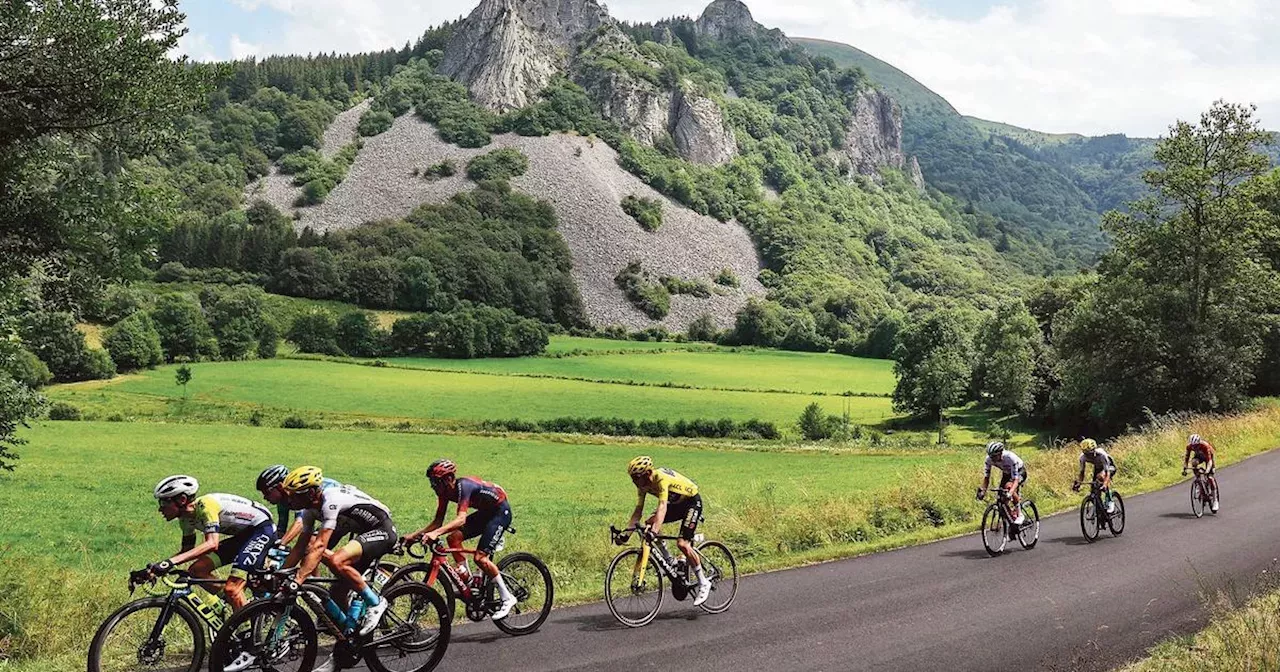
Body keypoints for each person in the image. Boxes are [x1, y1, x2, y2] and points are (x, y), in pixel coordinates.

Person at [282, 466, 395, 637]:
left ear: (311, 493)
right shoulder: (309, 511)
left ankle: (376, 603)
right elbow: (300, 548)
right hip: (362, 531)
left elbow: (320, 546)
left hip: (382, 529)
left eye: (295, 494)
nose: (289, 499)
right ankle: (349, 636)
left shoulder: (331, 501)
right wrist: (281, 573)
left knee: (337, 560)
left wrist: (298, 579)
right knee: (336, 592)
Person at [402, 459, 518, 620]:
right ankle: (468, 581)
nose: (433, 486)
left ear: (449, 479)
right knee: (453, 538)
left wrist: (436, 533)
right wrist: (413, 536)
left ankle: (507, 598)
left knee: (480, 558)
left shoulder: (464, 487)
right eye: (432, 482)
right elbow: (437, 522)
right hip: (485, 513)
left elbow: (461, 519)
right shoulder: (444, 493)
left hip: (499, 512)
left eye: (436, 482)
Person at [145, 475, 277, 611]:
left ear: (182, 500)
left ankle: (247, 625)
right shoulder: (185, 520)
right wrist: (156, 568)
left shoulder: (206, 506)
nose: (160, 509)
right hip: (243, 536)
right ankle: (238, 607)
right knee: (197, 570)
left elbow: (212, 544)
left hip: (262, 530)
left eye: (163, 503)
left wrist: (169, 563)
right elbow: (186, 550)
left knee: (232, 589)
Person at [622, 455, 711, 606]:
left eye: (637, 478)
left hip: (691, 502)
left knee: (683, 544)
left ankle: (703, 582)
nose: (635, 482)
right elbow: (638, 511)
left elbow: (662, 506)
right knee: (650, 523)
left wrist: (655, 531)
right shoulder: (642, 486)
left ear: (648, 473)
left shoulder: (660, 478)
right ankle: (670, 560)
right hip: (676, 504)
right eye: (632, 479)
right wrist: (625, 535)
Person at [256, 464, 339, 547]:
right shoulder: (282, 500)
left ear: (280, 487)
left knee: (311, 546)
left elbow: (300, 522)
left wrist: (281, 544)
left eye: (267, 492)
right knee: (308, 548)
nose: (264, 497)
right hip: (326, 515)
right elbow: (281, 528)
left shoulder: (297, 492)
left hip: (339, 512)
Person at [978, 441, 1028, 525]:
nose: (992, 459)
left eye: (994, 456)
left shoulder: (1010, 458)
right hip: (1006, 473)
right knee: (1001, 499)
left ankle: (1020, 514)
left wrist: (1011, 492)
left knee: (1009, 487)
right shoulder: (988, 460)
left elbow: (1015, 480)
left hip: (1019, 472)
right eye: (991, 456)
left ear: (1000, 453)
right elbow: (986, 478)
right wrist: (983, 491)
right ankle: (1013, 519)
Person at [1072, 439, 1117, 513]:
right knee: (1094, 491)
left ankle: (1109, 500)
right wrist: (1079, 483)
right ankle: (1101, 509)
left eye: (1090, 453)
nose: (1088, 456)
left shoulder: (1102, 455)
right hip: (1098, 467)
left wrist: (1105, 484)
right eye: (1086, 454)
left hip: (1109, 466)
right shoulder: (1082, 457)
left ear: (1094, 450)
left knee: (1100, 477)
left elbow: (1107, 472)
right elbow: (1082, 472)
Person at [1182, 433, 1219, 513]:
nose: (1194, 448)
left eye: (1196, 446)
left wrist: (1207, 470)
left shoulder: (1205, 446)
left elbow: (1209, 461)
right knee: (1194, 462)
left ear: (1199, 443)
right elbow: (1187, 458)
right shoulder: (1189, 446)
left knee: (1210, 477)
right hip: (1199, 456)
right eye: (1193, 446)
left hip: (1208, 457)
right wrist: (1185, 468)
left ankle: (1215, 500)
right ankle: (1199, 482)